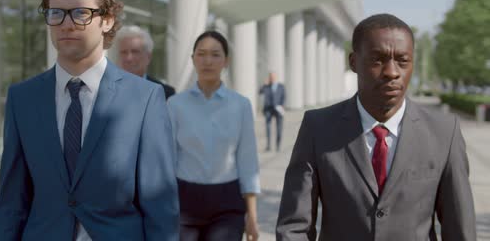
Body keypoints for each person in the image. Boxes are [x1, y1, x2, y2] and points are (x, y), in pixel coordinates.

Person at [0, 0, 179, 241]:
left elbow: (159, 204)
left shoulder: (146, 98)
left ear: (107, 20)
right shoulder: (22, 98)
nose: (67, 23)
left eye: (81, 13)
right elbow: (11, 201)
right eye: (57, 13)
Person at [276, 13, 476, 240]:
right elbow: (293, 227)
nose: (392, 72)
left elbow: (460, 229)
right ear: (353, 62)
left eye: (402, 61)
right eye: (377, 59)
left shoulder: (443, 133)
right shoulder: (318, 128)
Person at [168, 31, 261, 241]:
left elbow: (248, 162)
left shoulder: (241, 105)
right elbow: (168, 160)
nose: (207, 61)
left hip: (227, 202)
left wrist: (252, 217)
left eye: (215, 54)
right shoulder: (175, 105)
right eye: (201, 54)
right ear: (192, 59)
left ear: (226, 61)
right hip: (184, 201)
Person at [116, 25, 176, 99]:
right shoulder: (105, 91)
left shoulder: (165, 93)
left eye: (135, 52)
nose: (129, 58)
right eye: (124, 52)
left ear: (148, 57)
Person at [259, 72, 286, 151]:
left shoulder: (281, 86)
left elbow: (284, 97)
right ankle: (268, 146)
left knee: (279, 128)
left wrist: (282, 106)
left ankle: (278, 145)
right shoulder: (266, 86)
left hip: (278, 109)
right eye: (270, 77)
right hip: (268, 109)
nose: (272, 78)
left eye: (273, 77)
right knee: (268, 127)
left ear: (276, 77)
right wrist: (264, 84)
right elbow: (260, 92)